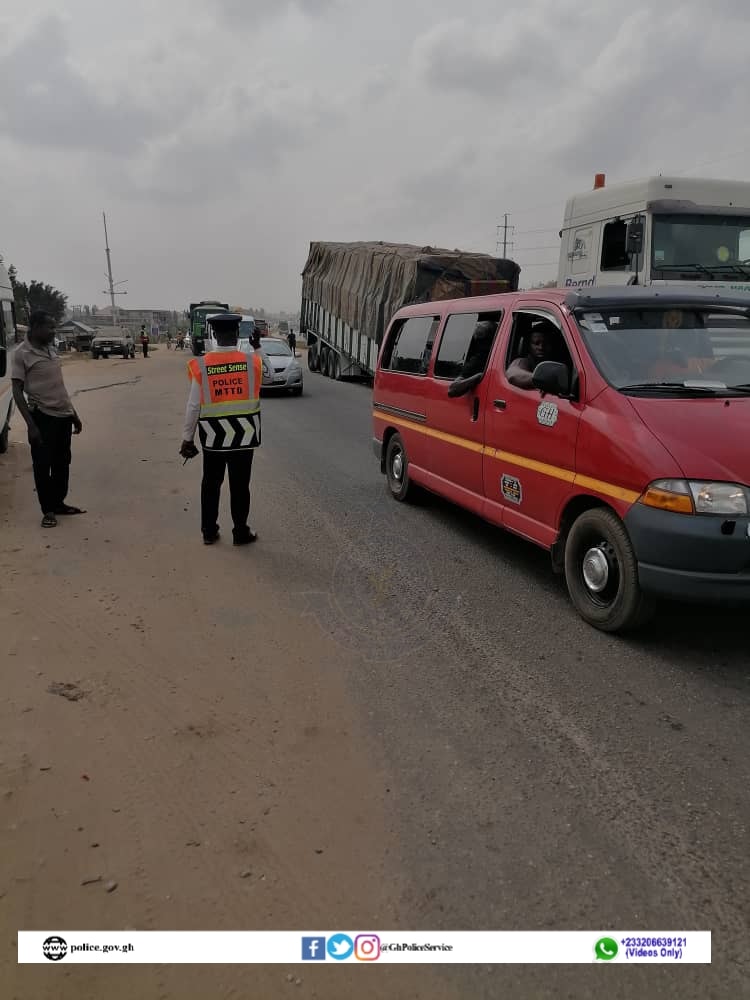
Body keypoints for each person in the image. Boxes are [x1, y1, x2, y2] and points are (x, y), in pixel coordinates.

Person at [180, 313, 263, 545]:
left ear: (214, 335)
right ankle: (240, 531)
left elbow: (193, 405)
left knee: (210, 485)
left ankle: (208, 531)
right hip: (244, 437)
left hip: (214, 438)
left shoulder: (202, 365)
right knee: (240, 486)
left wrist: (187, 438)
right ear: (237, 334)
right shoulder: (250, 362)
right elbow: (264, 374)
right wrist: (257, 348)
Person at [11, 310, 85, 528]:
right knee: (43, 466)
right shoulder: (22, 353)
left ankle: (59, 503)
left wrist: (74, 414)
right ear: (35, 327)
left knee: (63, 463)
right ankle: (48, 511)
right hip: (41, 418)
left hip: (63, 416)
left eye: (54, 327)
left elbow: (59, 387)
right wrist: (31, 425)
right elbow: (17, 391)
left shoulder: (51, 349)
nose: (54, 331)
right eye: (49, 327)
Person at [447, 320, 497, 396]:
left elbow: (453, 389)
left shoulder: (478, 360)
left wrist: (479, 376)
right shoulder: (494, 356)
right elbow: (452, 389)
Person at [507, 324, 554, 389]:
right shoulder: (524, 361)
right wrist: (542, 381)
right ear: (529, 345)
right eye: (536, 343)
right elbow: (512, 374)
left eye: (546, 343)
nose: (541, 347)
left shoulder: (557, 363)